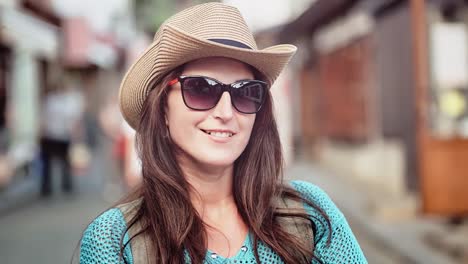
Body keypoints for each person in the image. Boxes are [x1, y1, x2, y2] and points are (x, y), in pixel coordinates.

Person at [79, 2, 367, 263]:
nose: (226, 112)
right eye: (202, 89)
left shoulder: (309, 216)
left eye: (245, 93)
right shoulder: (114, 241)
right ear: (163, 109)